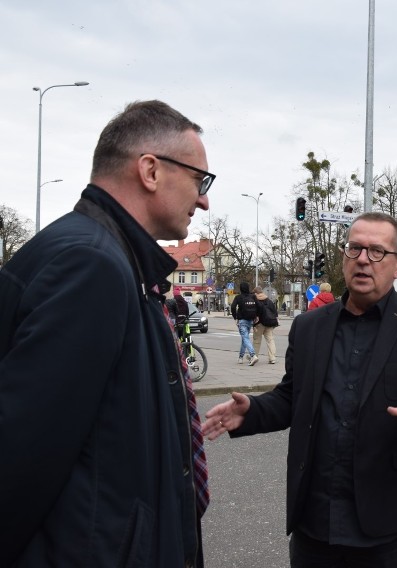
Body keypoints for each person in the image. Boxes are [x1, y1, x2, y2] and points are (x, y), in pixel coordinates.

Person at [0, 100, 212, 566]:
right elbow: (21, 460)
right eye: (200, 180)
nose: (204, 200)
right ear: (150, 171)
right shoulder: (92, 265)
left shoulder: (115, 259)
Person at [203, 212, 397, 567]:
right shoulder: (310, 326)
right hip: (315, 519)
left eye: (376, 252)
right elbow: (292, 397)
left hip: (384, 521)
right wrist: (253, 410)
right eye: (354, 248)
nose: (362, 259)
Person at [231, 281, 260, 365]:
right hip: (251, 320)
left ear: (240, 289)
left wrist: (235, 317)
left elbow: (233, 307)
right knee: (244, 338)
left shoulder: (238, 297)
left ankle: (253, 355)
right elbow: (259, 306)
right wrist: (257, 316)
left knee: (245, 338)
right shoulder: (253, 296)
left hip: (242, 320)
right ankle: (240, 357)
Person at [252, 285, 278, 364]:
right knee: (270, 340)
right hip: (269, 323)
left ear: (256, 293)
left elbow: (254, 312)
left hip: (259, 323)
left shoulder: (256, 300)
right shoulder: (269, 301)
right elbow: (275, 312)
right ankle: (272, 358)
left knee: (257, 341)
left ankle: (254, 356)